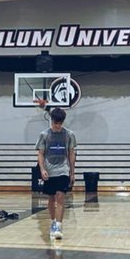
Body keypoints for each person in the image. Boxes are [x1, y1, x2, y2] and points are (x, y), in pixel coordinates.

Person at [35, 103, 77, 240]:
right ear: (51, 120)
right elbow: (40, 153)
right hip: (49, 170)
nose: (57, 126)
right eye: (55, 123)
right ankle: (53, 222)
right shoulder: (44, 135)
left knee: (60, 196)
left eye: (60, 123)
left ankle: (58, 226)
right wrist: (42, 169)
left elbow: (71, 154)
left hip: (63, 170)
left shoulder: (69, 135)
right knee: (51, 198)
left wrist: (72, 172)